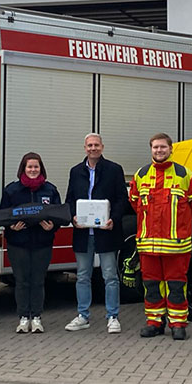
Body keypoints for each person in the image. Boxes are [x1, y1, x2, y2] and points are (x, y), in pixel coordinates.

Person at [129, 133, 192, 340]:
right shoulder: (141, 174)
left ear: (171, 149)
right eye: (155, 147)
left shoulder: (185, 174)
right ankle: (154, 322)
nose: (159, 151)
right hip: (148, 245)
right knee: (151, 285)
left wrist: (181, 223)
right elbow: (135, 203)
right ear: (151, 149)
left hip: (176, 245)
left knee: (176, 285)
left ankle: (178, 324)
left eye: (163, 147)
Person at [64, 133, 127, 334]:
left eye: (96, 145)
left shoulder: (114, 170)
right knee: (82, 276)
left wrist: (113, 220)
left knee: (110, 275)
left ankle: (113, 317)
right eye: (89, 145)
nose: (93, 148)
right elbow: (70, 199)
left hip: (106, 232)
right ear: (84, 148)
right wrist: (73, 217)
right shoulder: (75, 171)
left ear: (102, 147)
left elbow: (121, 200)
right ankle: (83, 315)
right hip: (83, 233)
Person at [0, 152, 61, 334]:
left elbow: (58, 214)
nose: (33, 170)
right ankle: (23, 317)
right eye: (29, 167)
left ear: (41, 168)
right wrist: (12, 228)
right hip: (18, 244)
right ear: (23, 169)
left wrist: (53, 227)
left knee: (38, 281)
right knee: (22, 281)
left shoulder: (50, 190)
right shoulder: (12, 190)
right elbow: (4, 215)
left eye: (36, 167)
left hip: (42, 243)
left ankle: (37, 318)